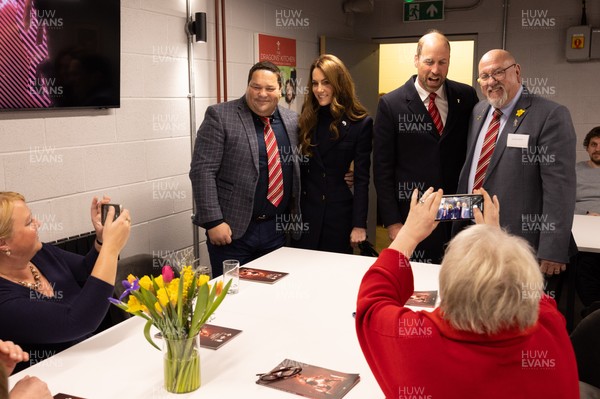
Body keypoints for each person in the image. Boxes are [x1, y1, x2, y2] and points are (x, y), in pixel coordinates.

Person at [356, 187, 579, 398]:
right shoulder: (550, 324)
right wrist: (494, 242)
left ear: (448, 289)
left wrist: (409, 235)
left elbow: (372, 302)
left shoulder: (416, 345)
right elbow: (530, 295)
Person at [455, 49, 576, 278]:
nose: (491, 82)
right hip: (472, 232)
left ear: (517, 71)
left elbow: (560, 189)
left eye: (498, 72)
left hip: (520, 242)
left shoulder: (550, 115)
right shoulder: (479, 111)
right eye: (484, 76)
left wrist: (552, 249)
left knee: (515, 310)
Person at [373, 30, 479, 264]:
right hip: (413, 217)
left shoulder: (466, 96)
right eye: (429, 62)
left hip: (458, 215)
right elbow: (382, 168)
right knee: (418, 287)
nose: (435, 70)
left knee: (459, 282)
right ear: (416, 60)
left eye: (442, 62)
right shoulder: (391, 104)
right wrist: (393, 222)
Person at [189, 61, 300, 276]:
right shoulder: (220, 116)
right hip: (232, 232)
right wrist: (214, 221)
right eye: (256, 87)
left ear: (280, 89)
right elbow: (202, 171)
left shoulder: (292, 120)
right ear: (248, 85)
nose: (262, 94)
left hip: (276, 231)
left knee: (273, 294)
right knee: (230, 295)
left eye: (269, 88)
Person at [0, 192, 131, 372]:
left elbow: (87, 272)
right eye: (29, 222)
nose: (38, 223)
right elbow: (77, 321)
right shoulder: (4, 302)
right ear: (3, 243)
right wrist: (111, 247)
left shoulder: (40, 253)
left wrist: (101, 240)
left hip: (90, 361)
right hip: (53, 381)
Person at [292, 54, 372, 253]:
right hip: (305, 215)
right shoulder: (307, 116)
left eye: (326, 82)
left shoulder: (360, 122)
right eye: (315, 83)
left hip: (338, 216)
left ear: (339, 83)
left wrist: (359, 224)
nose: (319, 89)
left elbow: (362, 179)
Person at [575, 127, 600, 315]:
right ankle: (594, 309)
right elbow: (562, 201)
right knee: (585, 264)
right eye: (594, 144)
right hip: (582, 225)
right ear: (587, 147)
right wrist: (586, 212)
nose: (597, 149)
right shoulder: (575, 170)